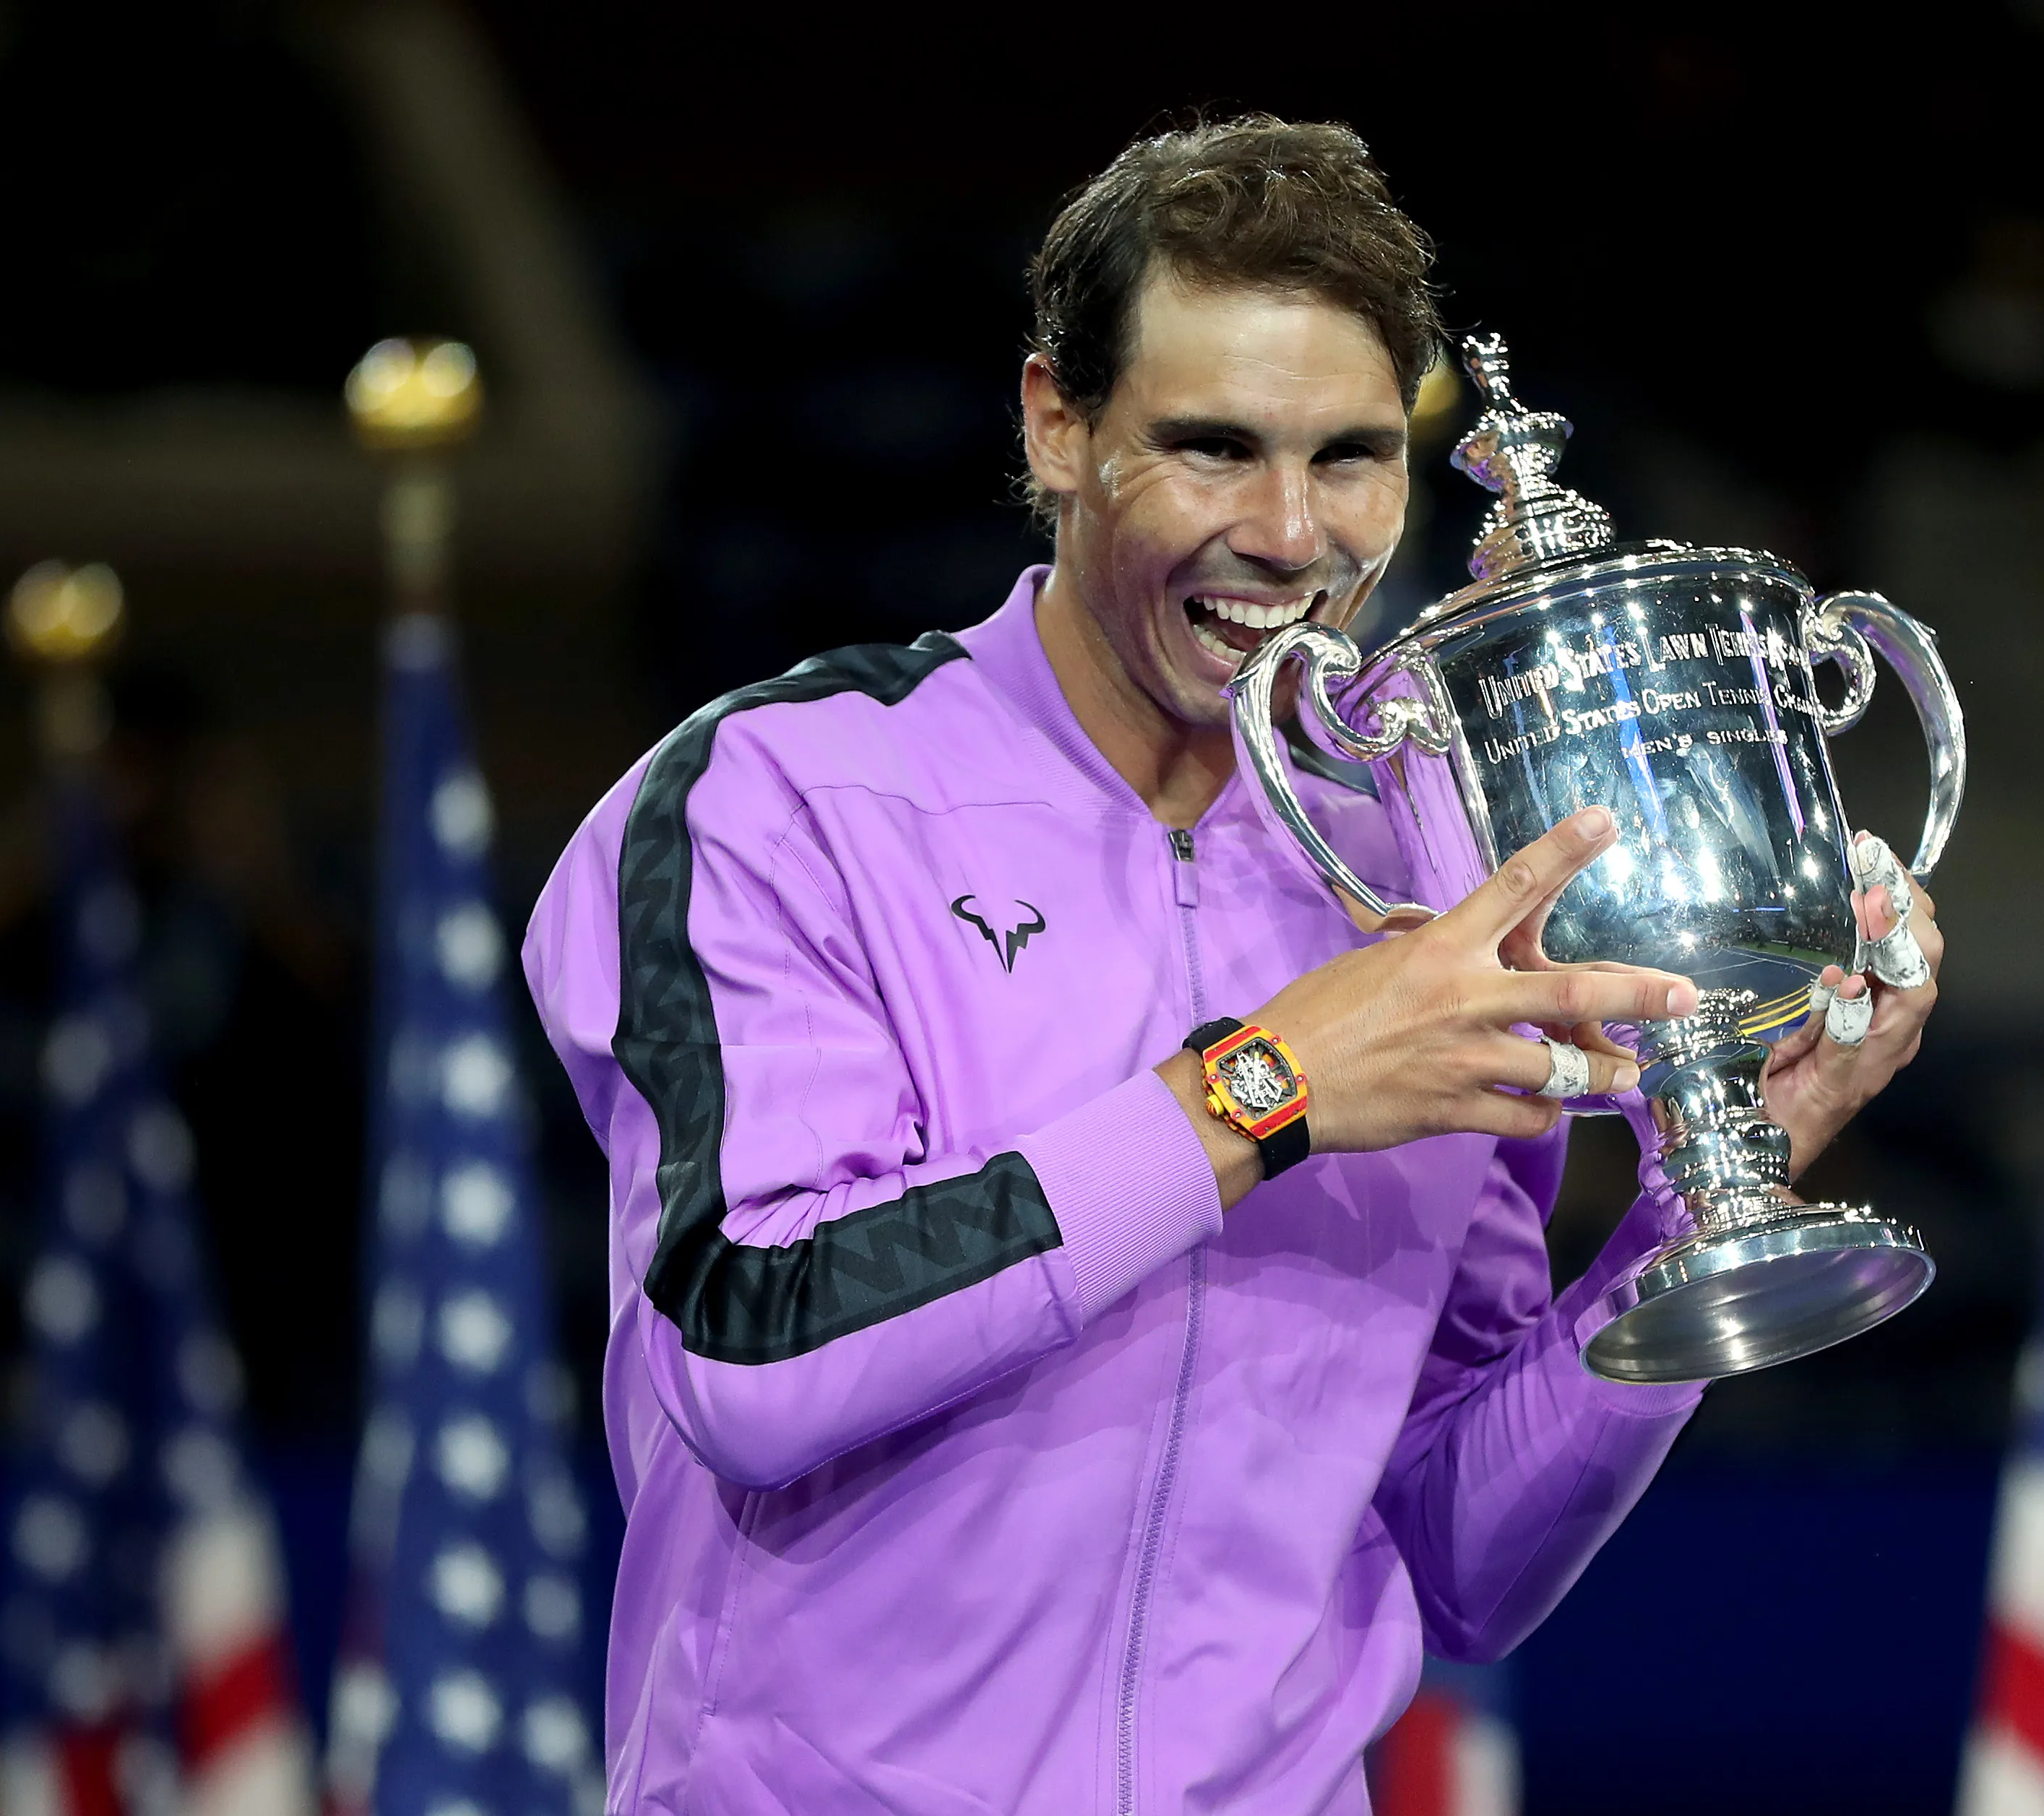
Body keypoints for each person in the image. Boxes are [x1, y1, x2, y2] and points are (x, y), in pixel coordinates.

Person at [523, 115, 1942, 1815]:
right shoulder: (777, 800)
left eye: (1349, 456)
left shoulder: (1437, 860)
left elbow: (1454, 1555)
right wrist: (1261, 1092)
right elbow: (751, 1361)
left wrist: (1696, 1214)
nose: (1289, 535)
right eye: (1212, 449)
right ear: (1056, 425)